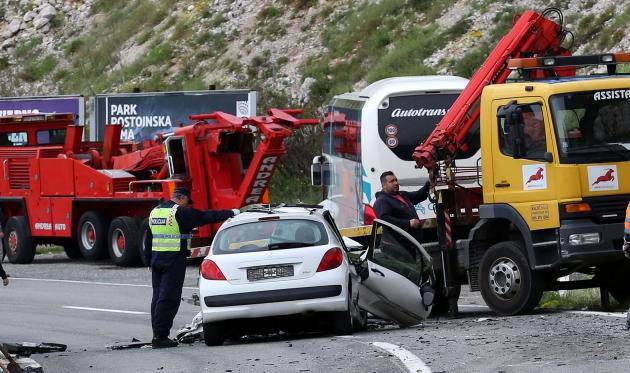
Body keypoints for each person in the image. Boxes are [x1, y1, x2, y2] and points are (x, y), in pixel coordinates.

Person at [146, 187, 239, 348]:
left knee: (158, 297)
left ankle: (157, 333)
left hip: (157, 260)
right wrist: (231, 212)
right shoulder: (180, 212)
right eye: (187, 202)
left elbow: (149, 238)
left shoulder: (156, 211)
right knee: (169, 297)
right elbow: (205, 216)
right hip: (173, 260)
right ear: (181, 198)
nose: (188, 205)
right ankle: (160, 337)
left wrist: (149, 261)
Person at [373, 171, 430, 243]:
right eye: (392, 181)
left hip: (410, 243)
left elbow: (417, 195)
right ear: (383, 185)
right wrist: (408, 223)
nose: (396, 183)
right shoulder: (382, 201)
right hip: (398, 246)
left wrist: (428, 184)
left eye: (396, 180)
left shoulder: (402, 195)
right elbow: (385, 220)